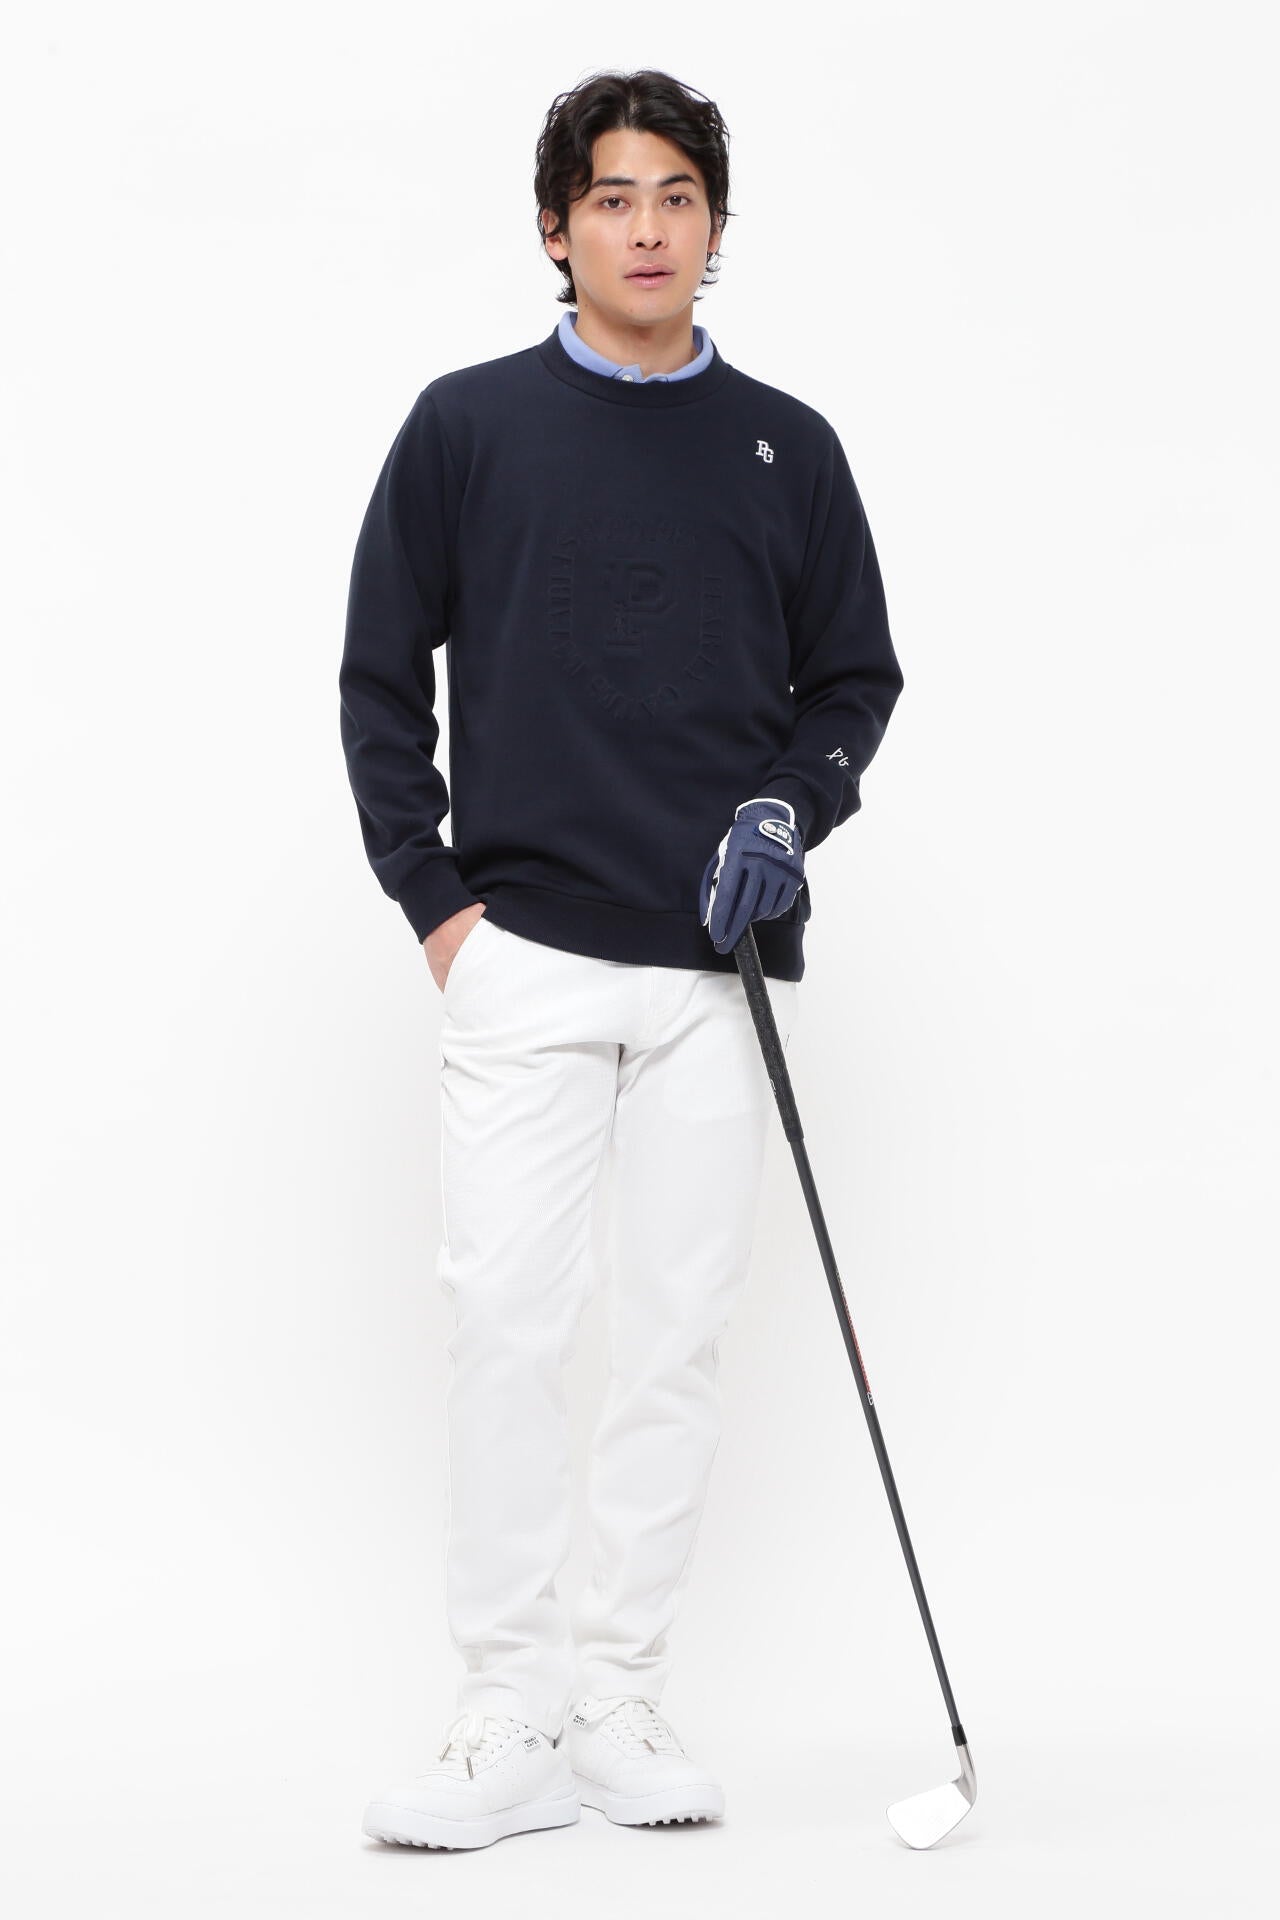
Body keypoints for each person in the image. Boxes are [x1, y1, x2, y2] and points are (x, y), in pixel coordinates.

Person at [340, 67, 904, 1853]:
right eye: (611, 197)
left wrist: (790, 810)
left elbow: (854, 681)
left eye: (676, 197)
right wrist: (438, 906)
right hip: (522, 953)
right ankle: (505, 1707)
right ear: (556, 226)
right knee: (506, 1326)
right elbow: (378, 680)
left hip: (715, 969)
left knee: (673, 1340)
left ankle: (617, 1695)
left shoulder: (789, 447)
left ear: (715, 227)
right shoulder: (467, 427)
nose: (646, 228)